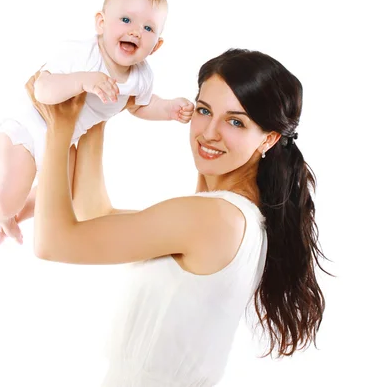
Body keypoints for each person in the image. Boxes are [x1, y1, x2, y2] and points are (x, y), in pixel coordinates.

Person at [28, 48, 328, 386]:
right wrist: (96, 112)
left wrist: (60, 128)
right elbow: (95, 214)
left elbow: (52, 243)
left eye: (235, 121)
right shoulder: (231, 216)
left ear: (269, 138)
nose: (209, 132)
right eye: (204, 110)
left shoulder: (215, 217)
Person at [0, 0, 194, 244]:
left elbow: (141, 106)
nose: (135, 32)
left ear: (157, 45)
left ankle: (17, 219)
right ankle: (3, 215)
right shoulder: (82, 53)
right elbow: (42, 88)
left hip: (63, 142)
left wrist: (168, 109)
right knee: (3, 202)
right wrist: (82, 80)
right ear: (101, 22)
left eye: (147, 27)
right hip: (28, 126)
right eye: (126, 20)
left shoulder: (141, 78)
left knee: (65, 192)